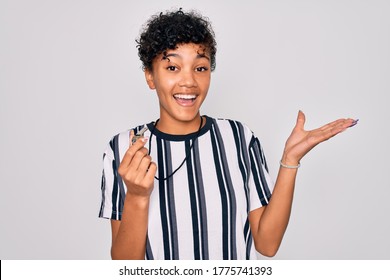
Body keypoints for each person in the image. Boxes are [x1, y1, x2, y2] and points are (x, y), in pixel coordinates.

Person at [98, 9, 357, 260]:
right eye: (173, 68)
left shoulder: (238, 138)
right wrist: (137, 195)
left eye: (200, 68)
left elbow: (267, 244)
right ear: (150, 76)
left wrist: (290, 160)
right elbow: (125, 265)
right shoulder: (123, 148)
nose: (188, 81)